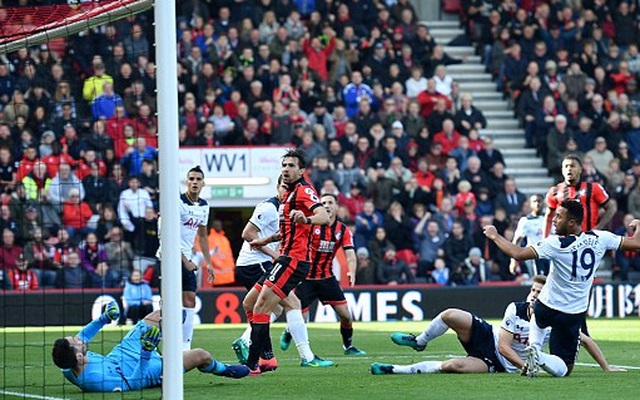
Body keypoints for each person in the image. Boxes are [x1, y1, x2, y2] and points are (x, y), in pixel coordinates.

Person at [483, 200, 640, 377]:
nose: (554, 220)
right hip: (572, 313)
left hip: (546, 305)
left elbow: (517, 253)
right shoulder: (601, 238)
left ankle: (534, 348)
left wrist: (495, 235)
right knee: (565, 368)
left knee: (538, 320)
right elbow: (636, 244)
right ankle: (539, 356)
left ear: (571, 223)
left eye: (559, 216)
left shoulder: (556, 244)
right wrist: (639, 226)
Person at [371, 274, 623, 376]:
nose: (534, 295)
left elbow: (586, 339)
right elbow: (503, 346)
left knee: (451, 366)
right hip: (490, 340)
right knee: (450, 314)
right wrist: (527, 366)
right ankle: (419, 342)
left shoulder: (555, 320)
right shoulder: (516, 308)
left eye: (539, 291)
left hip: (497, 364)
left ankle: (393, 369)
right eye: (533, 290)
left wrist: (606, 367)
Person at [243, 149, 331, 375]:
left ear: (301, 170)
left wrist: (307, 218)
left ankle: (253, 364)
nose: (285, 169)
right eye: (283, 165)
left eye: (291, 165)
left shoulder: (304, 190)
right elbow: (288, 231)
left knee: (262, 307)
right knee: (250, 304)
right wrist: (265, 239)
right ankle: (264, 358)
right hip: (283, 257)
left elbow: (324, 217)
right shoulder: (288, 196)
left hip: (294, 260)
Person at [51, 302, 249, 392]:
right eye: (75, 342)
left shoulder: (68, 363)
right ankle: (224, 369)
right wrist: (146, 353)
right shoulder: (96, 380)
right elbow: (134, 383)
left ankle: (162, 342)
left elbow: (83, 335)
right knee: (201, 355)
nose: (79, 338)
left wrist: (104, 319)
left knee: (168, 313)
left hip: (122, 353)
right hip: (144, 370)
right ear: (78, 357)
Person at [279, 193, 365, 356]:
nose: (326, 205)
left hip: (327, 279)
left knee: (346, 316)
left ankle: (348, 347)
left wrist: (351, 271)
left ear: (337, 207)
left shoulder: (343, 230)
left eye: (330, 202)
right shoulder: (310, 225)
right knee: (301, 321)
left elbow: (350, 254)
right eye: (323, 202)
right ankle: (291, 333)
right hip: (305, 280)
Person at [156, 166, 213, 350]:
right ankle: (161, 343)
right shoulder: (175, 203)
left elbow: (202, 236)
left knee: (190, 300)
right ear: (186, 182)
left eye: (198, 179)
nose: (195, 182)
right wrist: (185, 261)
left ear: (203, 183)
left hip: (187, 260)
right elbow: (166, 235)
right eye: (191, 179)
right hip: (168, 259)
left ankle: (184, 346)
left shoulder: (204, 206)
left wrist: (208, 262)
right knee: (169, 304)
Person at [544, 155, 616, 237]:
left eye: (572, 166)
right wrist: (544, 239)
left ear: (580, 170)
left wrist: (598, 228)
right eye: (566, 166)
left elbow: (611, 207)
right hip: (564, 243)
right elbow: (549, 217)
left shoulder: (593, 188)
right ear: (562, 171)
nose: (569, 169)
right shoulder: (555, 191)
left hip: (588, 240)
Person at [511, 194, 548, 276]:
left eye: (539, 201)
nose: (537, 204)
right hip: (535, 255)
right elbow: (517, 240)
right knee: (539, 281)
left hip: (550, 255)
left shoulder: (549, 219)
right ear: (530, 204)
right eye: (534, 201)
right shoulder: (526, 220)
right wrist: (513, 260)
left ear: (544, 203)